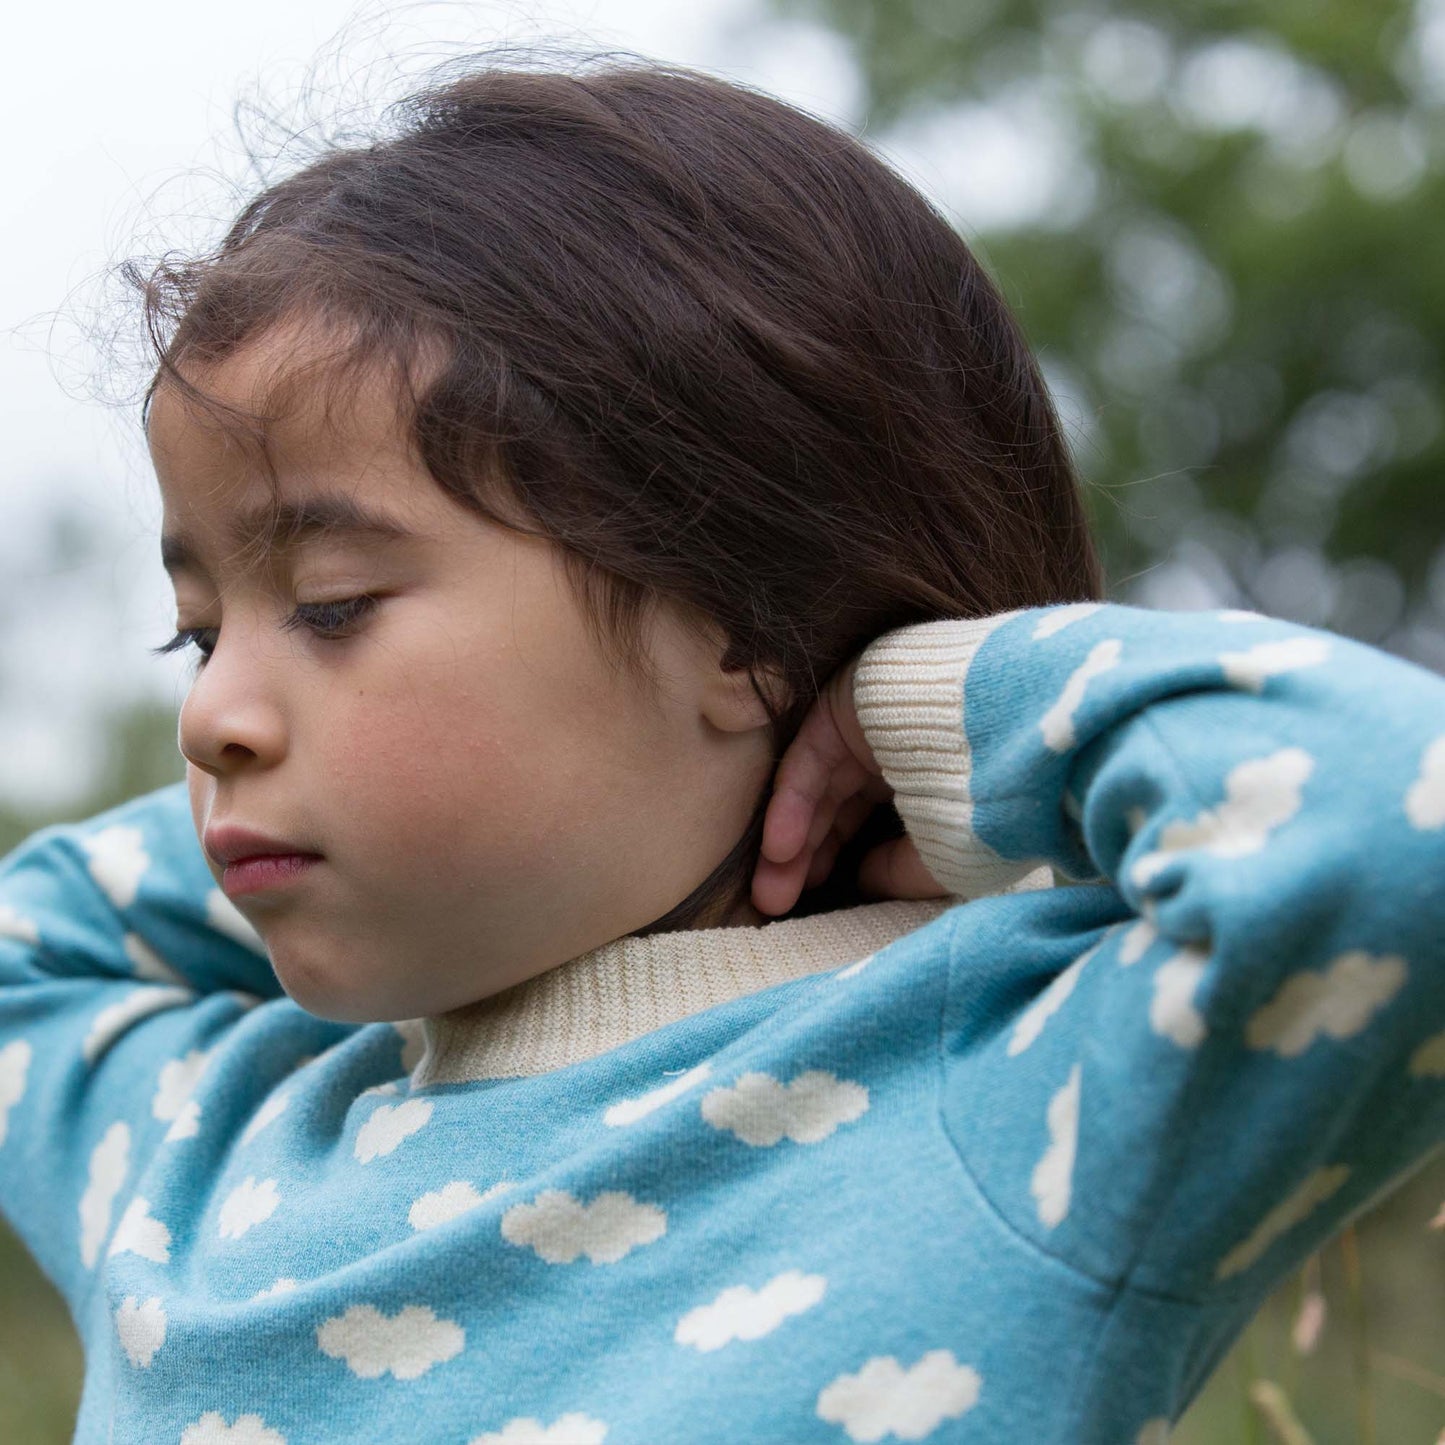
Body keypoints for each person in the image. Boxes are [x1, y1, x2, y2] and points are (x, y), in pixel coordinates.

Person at [1, 50, 1442, 1445]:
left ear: (741, 635)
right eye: (198, 634)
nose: (208, 714)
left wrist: (913, 700)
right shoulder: (207, 1146)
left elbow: (1395, 822)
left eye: (330, 606)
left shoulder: (1003, 1075)